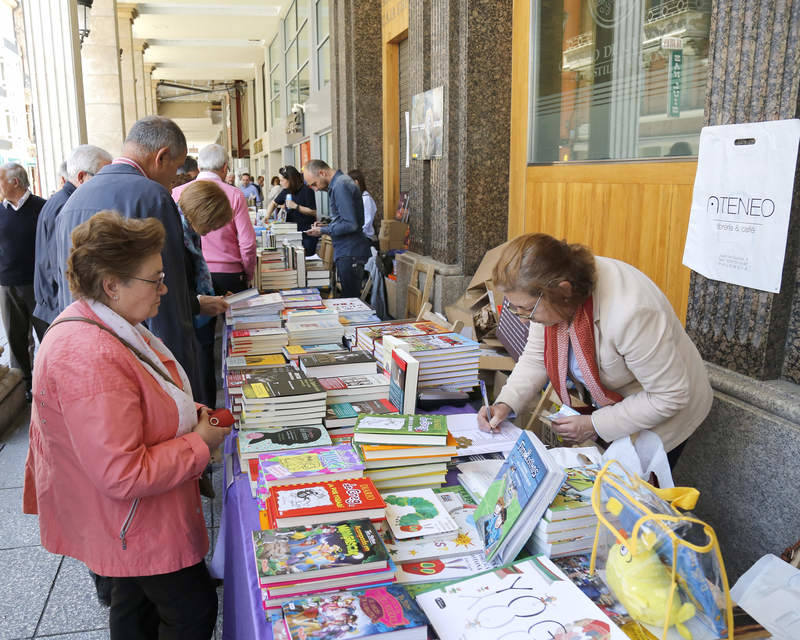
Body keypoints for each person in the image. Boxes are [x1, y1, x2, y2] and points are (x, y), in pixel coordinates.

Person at [23, 211, 228, 639]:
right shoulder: (90, 354)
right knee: (190, 609)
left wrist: (192, 415)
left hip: (124, 519)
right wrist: (200, 442)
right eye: (154, 280)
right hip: (134, 521)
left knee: (134, 606)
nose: (165, 289)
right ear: (112, 285)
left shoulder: (107, 325)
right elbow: (122, 471)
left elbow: (146, 399)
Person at [477, 233, 713, 468]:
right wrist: (505, 404)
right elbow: (537, 356)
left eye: (526, 310)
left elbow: (669, 395)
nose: (523, 320)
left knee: (635, 494)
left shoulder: (631, 312)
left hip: (664, 412)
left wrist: (595, 424)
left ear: (564, 291)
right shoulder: (550, 298)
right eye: (515, 309)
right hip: (616, 405)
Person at [54, 115, 204, 396]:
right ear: (161, 157)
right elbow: (168, 303)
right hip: (141, 356)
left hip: (84, 349)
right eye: (175, 167)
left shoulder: (74, 199)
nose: (175, 179)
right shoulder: (153, 196)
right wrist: (184, 379)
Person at [33, 144, 112, 336]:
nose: (109, 183)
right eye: (104, 176)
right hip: (58, 306)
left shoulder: (66, 200)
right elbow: (61, 264)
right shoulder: (68, 205)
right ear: (81, 177)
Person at [177, 179, 236, 408]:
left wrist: (218, 291)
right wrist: (199, 301)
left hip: (196, 315)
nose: (211, 231)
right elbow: (180, 284)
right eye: (211, 225)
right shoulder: (177, 238)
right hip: (188, 319)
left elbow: (199, 273)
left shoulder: (189, 233)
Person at [172, 143, 256, 295]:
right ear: (225, 167)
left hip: (189, 275)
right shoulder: (235, 194)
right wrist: (248, 274)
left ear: (199, 166)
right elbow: (247, 243)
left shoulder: (177, 192)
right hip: (228, 273)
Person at [0, 163, 47, 399]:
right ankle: (24, 387)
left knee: (47, 335)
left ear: (14, 182)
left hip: (36, 285)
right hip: (6, 284)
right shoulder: (0, 210)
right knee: (15, 337)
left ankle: (52, 383)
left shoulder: (42, 208)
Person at [303, 159, 371, 298]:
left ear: (322, 172)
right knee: (349, 297)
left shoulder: (340, 185)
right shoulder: (340, 183)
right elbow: (346, 220)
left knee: (350, 299)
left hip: (350, 251)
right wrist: (328, 226)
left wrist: (323, 231)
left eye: (314, 184)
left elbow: (350, 224)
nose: (316, 189)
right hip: (348, 250)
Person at [266, 165, 318, 256]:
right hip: (291, 234)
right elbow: (273, 203)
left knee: (306, 260)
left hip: (306, 233)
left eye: (282, 180)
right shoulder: (286, 191)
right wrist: (266, 216)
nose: (280, 183)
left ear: (290, 179)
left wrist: (296, 206)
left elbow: (313, 211)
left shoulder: (306, 191)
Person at [348, 169, 378, 244]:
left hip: (365, 238)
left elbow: (367, 222)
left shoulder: (366, 199)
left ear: (356, 182)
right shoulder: (358, 197)